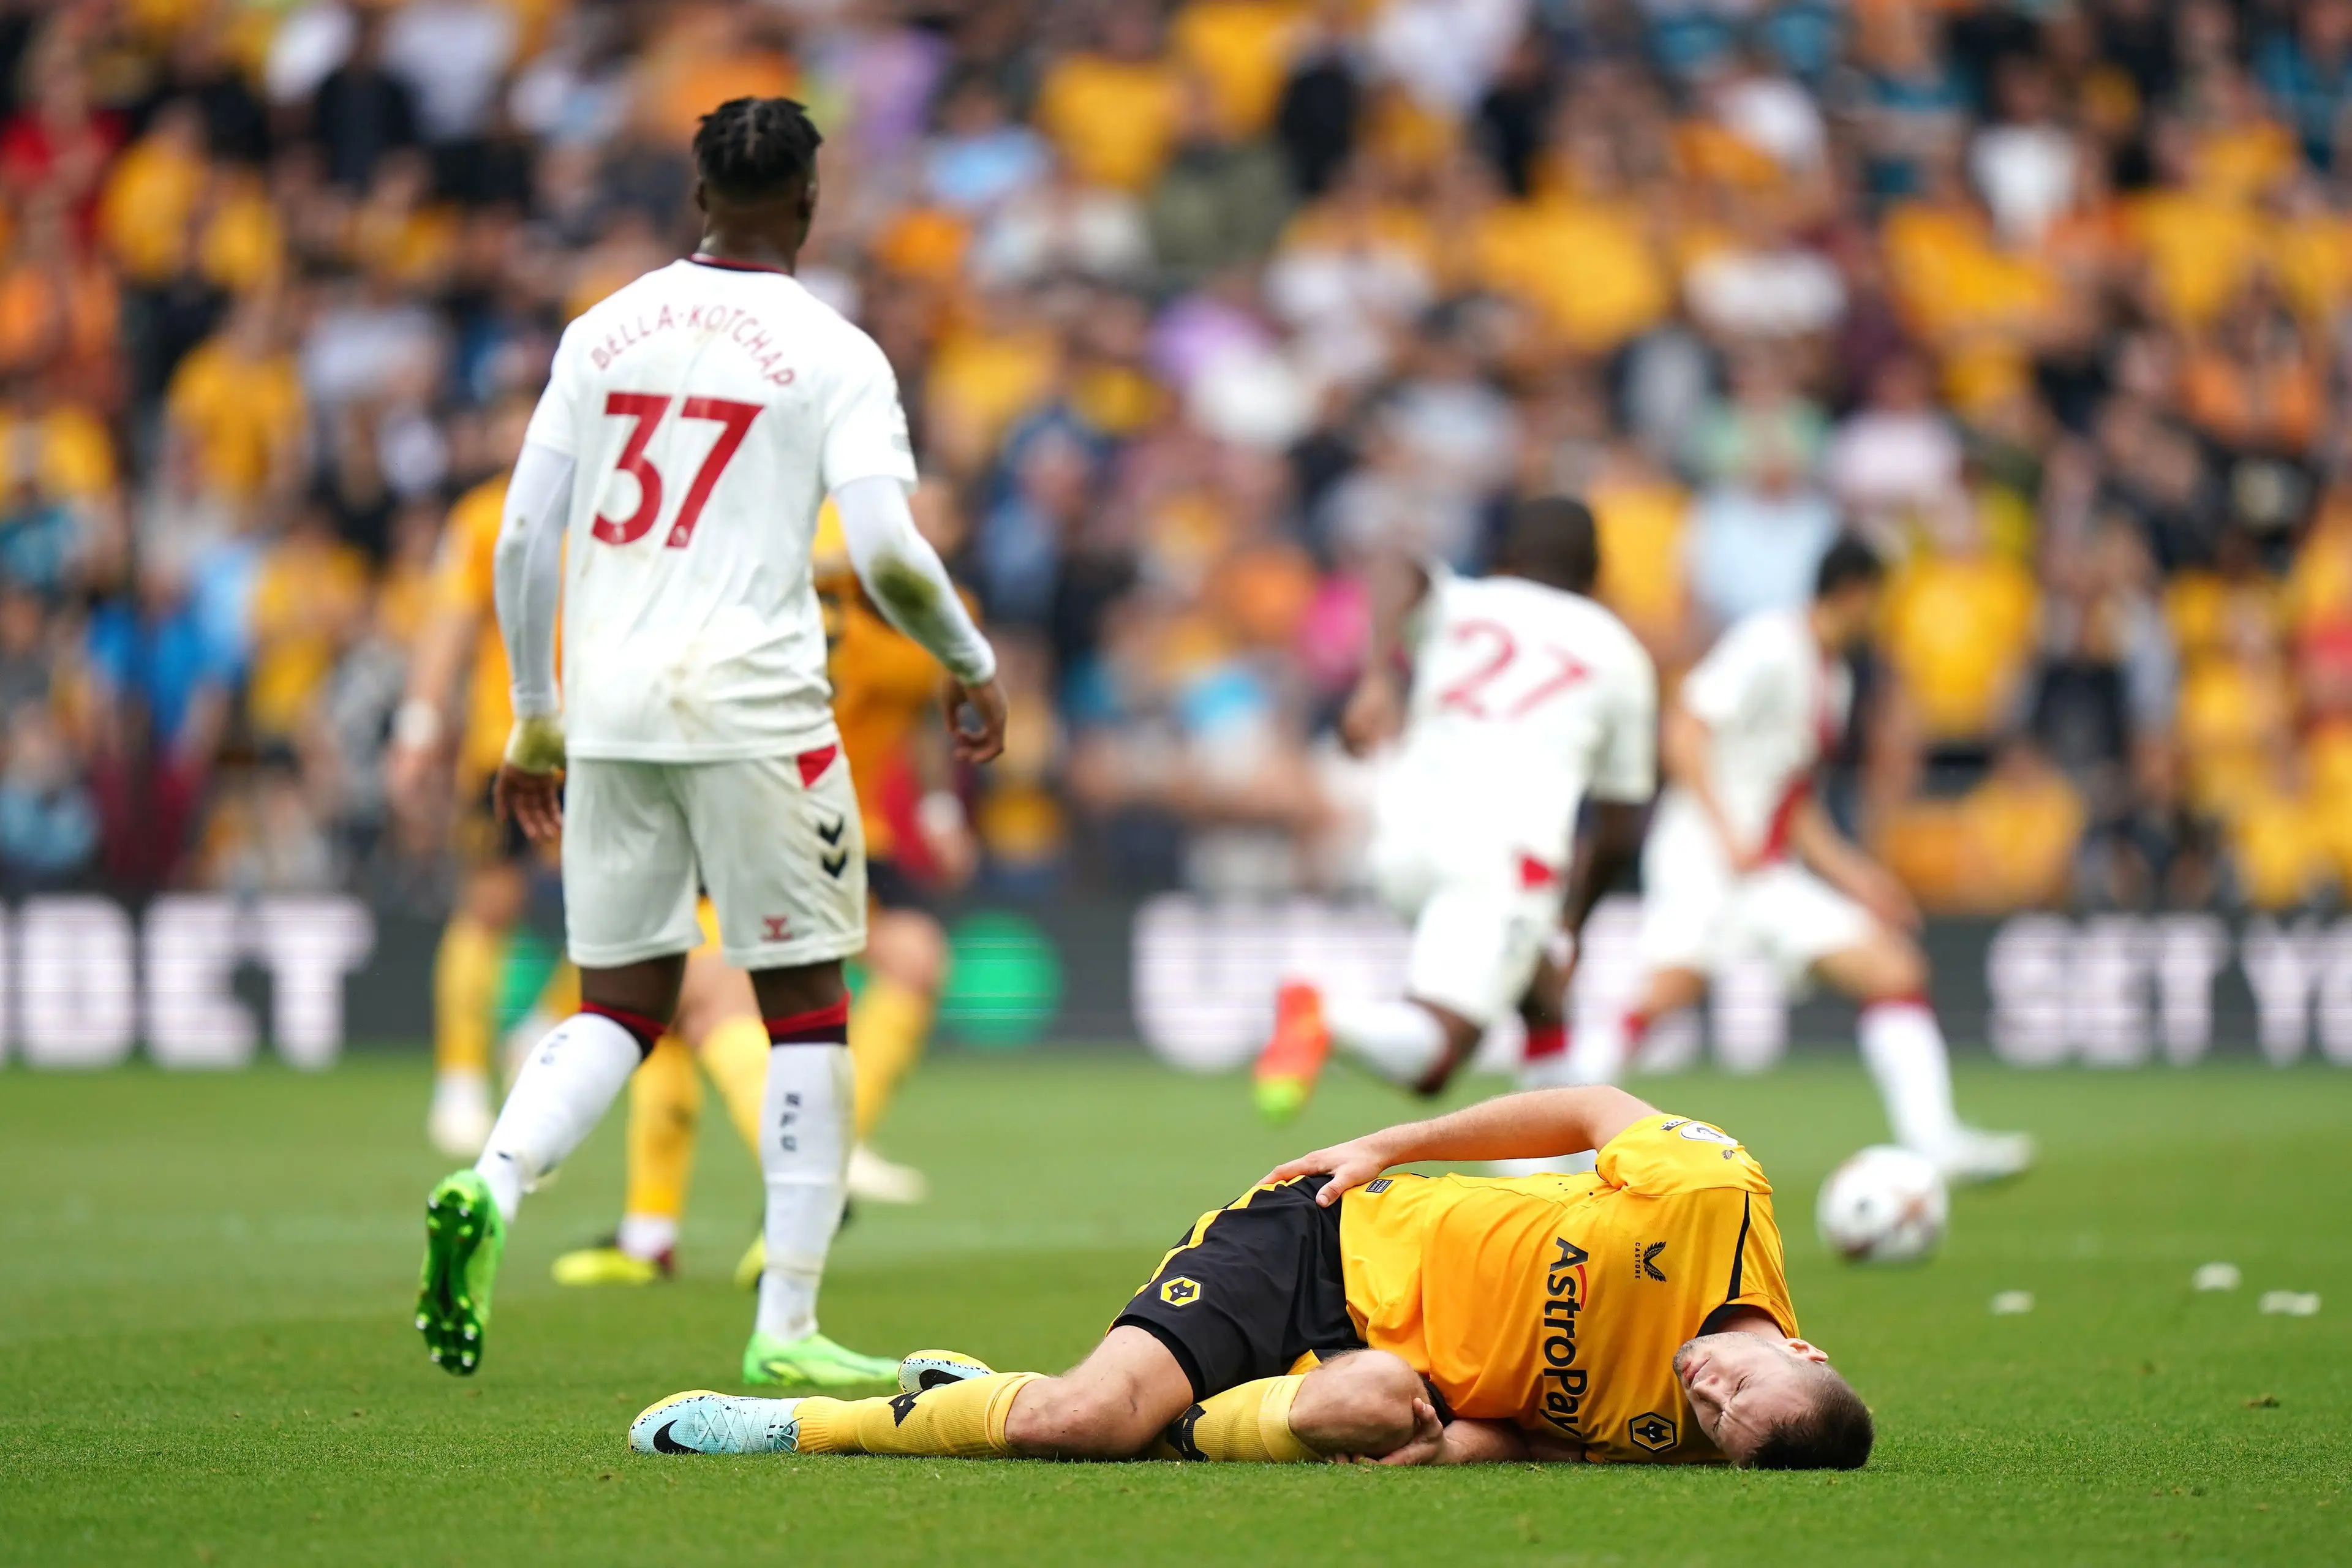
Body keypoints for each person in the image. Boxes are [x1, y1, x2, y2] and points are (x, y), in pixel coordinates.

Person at [413, 96, 1008, 1389]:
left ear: (697, 194)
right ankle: (787, 1323)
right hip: (758, 708)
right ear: (809, 203)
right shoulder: (836, 351)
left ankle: (491, 1182)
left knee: (620, 1003)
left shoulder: (599, 330)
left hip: (610, 710)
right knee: (809, 1012)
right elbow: (890, 554)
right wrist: (971, 661)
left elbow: (523, 538)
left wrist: (534, 713)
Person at [627, 1084, 1874, 1470]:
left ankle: (988, 1392)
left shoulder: (1671, 1433)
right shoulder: (1713, 1198)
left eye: (1718, 1422)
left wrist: (1442, 1450)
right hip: (1323, 1241)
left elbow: (1531, 1434)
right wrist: (1391, 1142)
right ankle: (801, 1423)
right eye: (1735, 1384)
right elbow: (1595, 1104)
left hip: (1377, 1366)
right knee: (1079, 1424)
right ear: (1803, 1348)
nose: (1703, 1389)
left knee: (1376, 1407)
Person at [1564, 537, 2031, 1182]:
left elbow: (1795, 800)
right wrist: (1726, 830)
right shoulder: (1769, 643)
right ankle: (1551, 1138)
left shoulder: (1832, 679)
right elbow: (1684, 729)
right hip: (1704, 854)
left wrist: (1859, 877)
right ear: (1856, 592)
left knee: (1892, 969)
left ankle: (1935, 1140)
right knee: (1664, 991)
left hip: (1763, 868)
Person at [1252, 496, 1656, 1120]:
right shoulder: (1619, 654)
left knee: (1541, 996)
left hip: (1402, 837)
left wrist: (1377, 676)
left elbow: (1394, 565)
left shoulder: (1466, 601)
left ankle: (1550, 1165)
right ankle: (1325, 1019)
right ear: (1597, 574)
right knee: (1436, 1057)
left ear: (1507, 557)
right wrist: (1576, 919)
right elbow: (1622, 825)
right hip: (1505, 853)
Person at [386, 391, 550, 1159]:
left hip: (605, 742)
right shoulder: (483, 518)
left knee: (641, 912)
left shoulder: (611, 505)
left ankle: (542, 1029)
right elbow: (448, 628)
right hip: (506, 743)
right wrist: (419, 729)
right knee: (489, 904)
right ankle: (459, 1079)